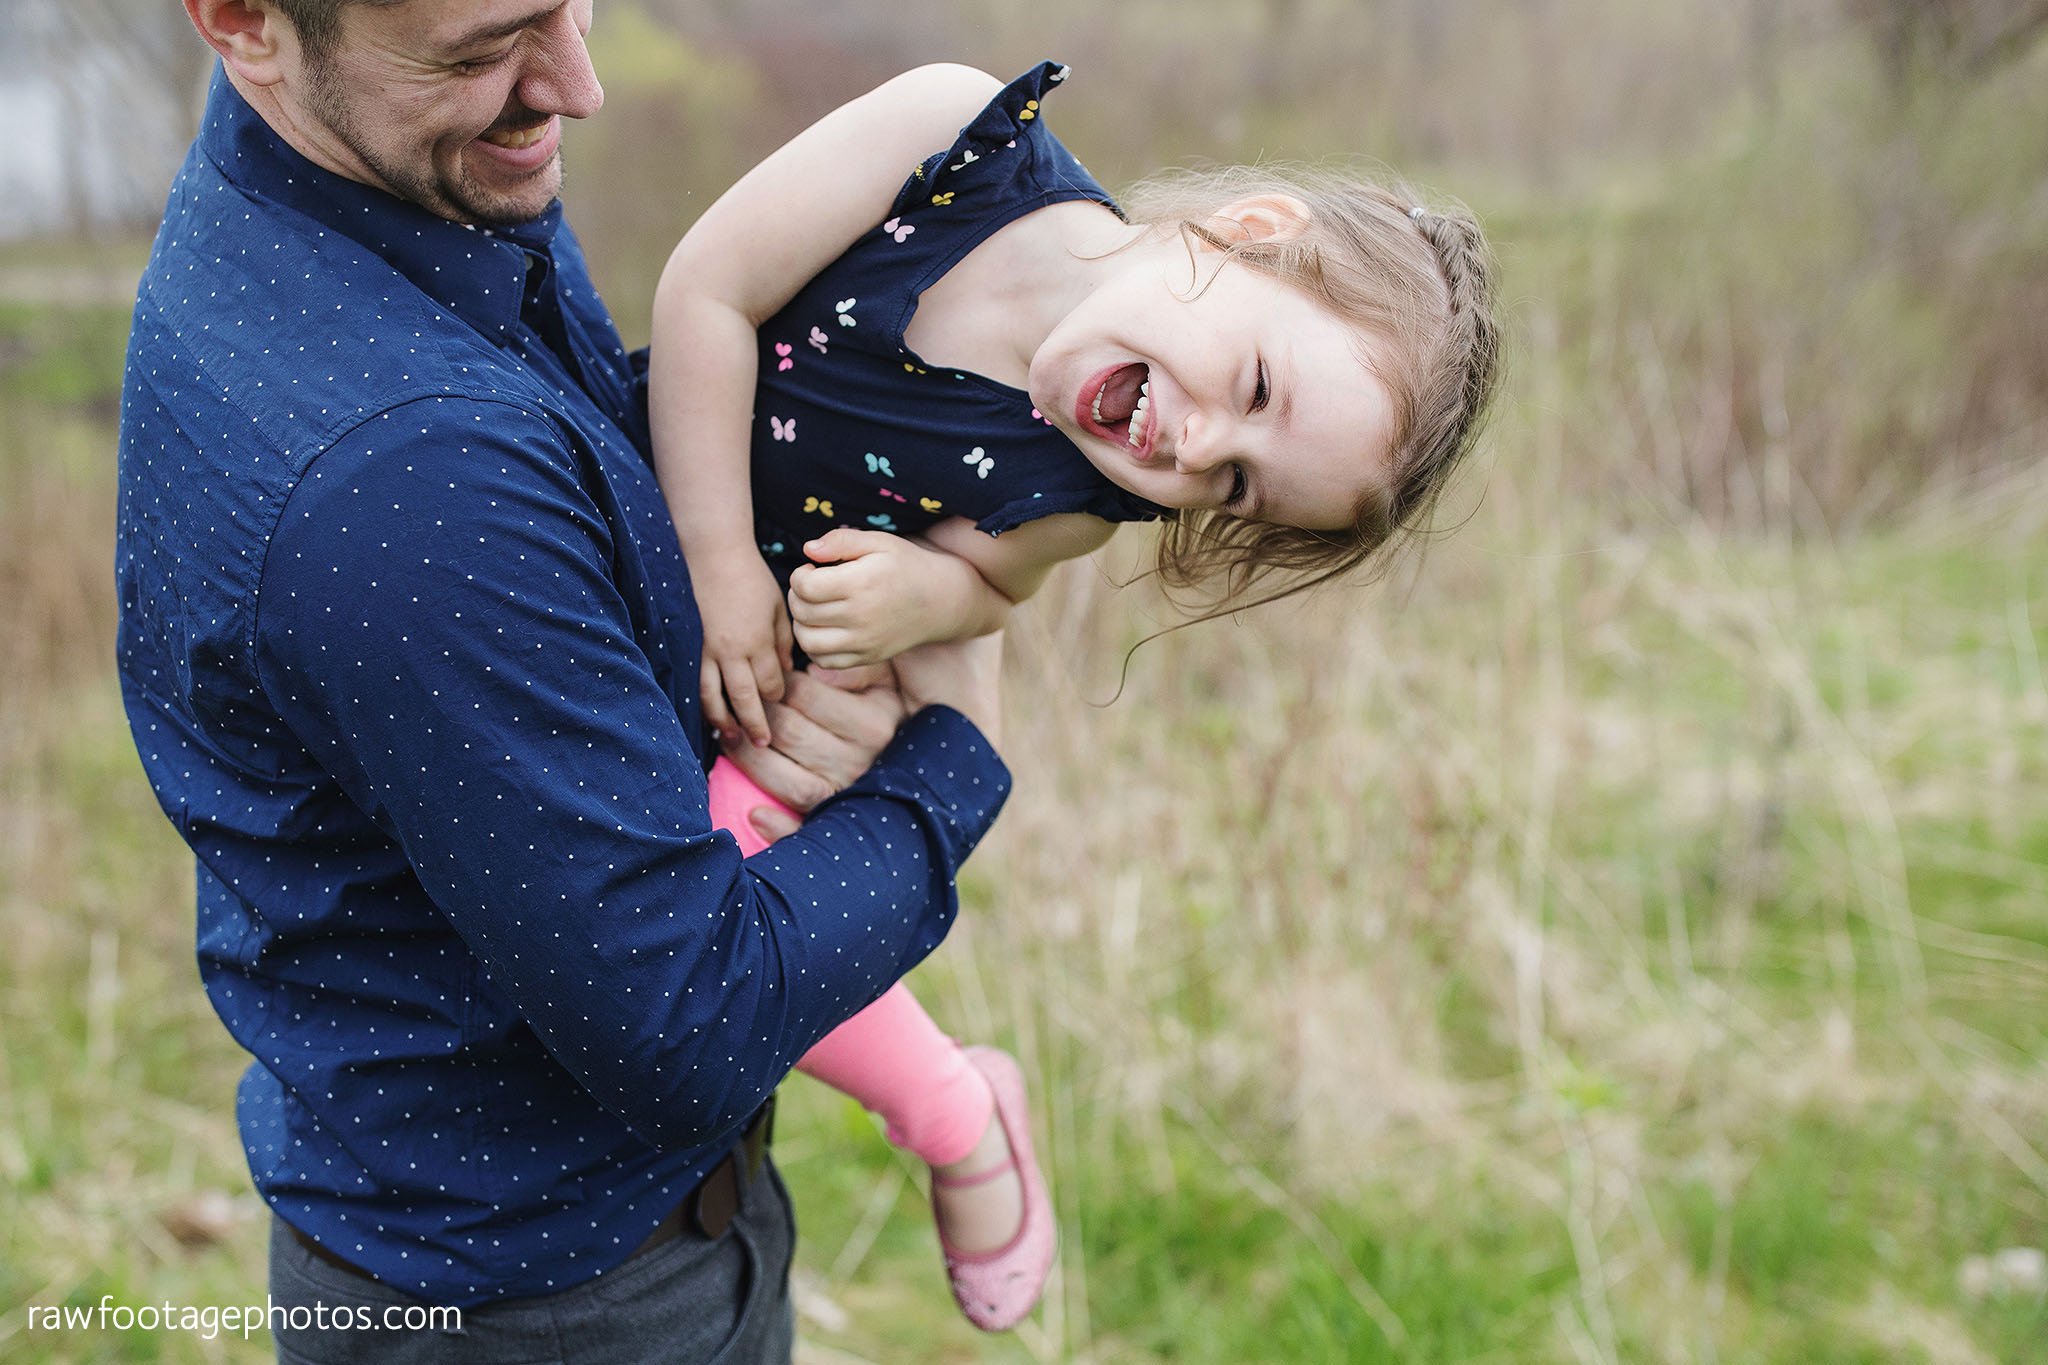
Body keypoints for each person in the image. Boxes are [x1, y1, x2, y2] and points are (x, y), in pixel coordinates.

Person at [117, 3, 1014, 1361]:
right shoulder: (409, 478)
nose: (575, 87)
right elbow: (688, 1021)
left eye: (570, 4)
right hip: (555, 1313)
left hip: (487, 1236)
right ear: (244, 21)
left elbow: (567, 481)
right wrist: (952, 758)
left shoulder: (378, 182)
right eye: (484, 47)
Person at [648, 60, 1501, 1332]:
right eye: (1256, 388)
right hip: (658, 535)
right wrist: (718, 564)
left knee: (699, 919)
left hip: (779, 678)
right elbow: (704, 293)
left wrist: (916, 603)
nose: (1197, 450)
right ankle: (954, 1105)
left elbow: (987, 584)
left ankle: (947, 1115)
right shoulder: (949, 144)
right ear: (1248, 235)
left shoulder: (1078, 489)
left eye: (1237, 489)